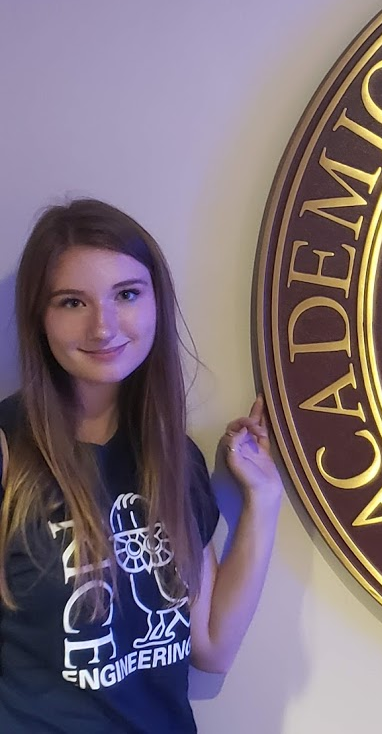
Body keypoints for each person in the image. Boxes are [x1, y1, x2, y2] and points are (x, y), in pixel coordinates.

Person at [0, 198, 282, 733]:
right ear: (40, 317)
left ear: (156, 303)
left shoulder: (173, 458)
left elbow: (212, 647)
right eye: (71, 302)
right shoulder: (9, 452)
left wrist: (263, 502)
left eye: (126, 294)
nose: (103, 326)